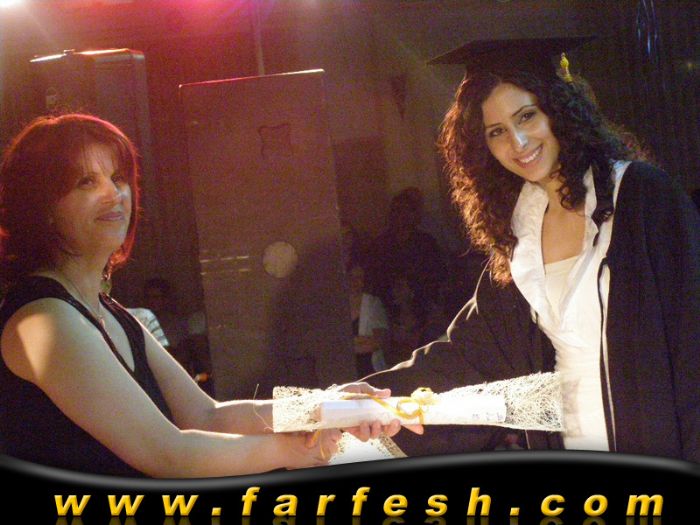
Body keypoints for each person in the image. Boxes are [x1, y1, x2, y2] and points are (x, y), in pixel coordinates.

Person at [0, 113, 411, 478]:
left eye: (119, 178)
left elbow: (207, 415)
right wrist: (303, 449)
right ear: (43, 207)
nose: (114, 194)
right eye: (87, 181)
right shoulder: (44, 320)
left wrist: (329, 407)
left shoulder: (109, 311)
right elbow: (168, 453)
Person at [370, 37, 700, 462]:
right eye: (496, 132)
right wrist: (369, 397)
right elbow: (467, 354)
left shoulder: (641, 198)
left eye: (527, 116)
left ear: (557, 110)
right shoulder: (521, 233)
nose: (519, 142)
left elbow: (693, 345)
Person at [346, 256, 390, 378]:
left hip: (369, 370)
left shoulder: (373, 304)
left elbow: (377, 342)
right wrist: (360, 340)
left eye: (359, 277)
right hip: (343, 370)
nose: (354, 281)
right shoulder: (336, 305)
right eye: (351, 277)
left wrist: (346, 345)